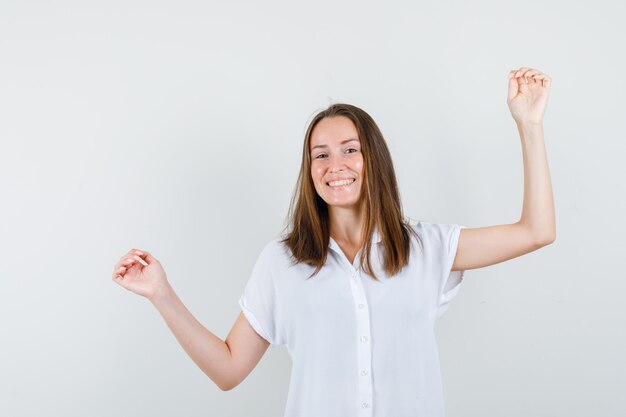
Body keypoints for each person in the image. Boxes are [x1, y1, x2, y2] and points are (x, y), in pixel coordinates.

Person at [111, 66, 555, 417]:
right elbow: (228, 369)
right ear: (310, 171)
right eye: (320, 155)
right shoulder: (281, 263)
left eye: (349, 149)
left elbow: (536, 231)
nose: (334, 164)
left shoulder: (427, 248)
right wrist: (161, 293)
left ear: (373, 159)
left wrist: (529, 126)